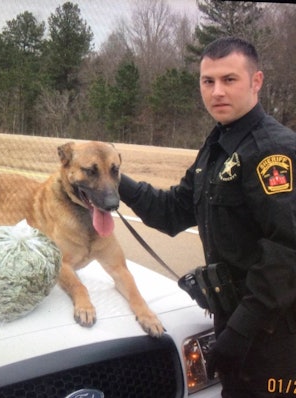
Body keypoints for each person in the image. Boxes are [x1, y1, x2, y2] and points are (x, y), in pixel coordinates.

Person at [119, 37, 296, 397]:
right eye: (208, 81)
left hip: (275, 338)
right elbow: (174, 210)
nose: (217, 91)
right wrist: (114, 181)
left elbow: (287, 251)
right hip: (237, 325)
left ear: (256, 81)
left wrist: (240, 332)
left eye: (229, 80)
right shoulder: (218, 146)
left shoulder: (271, 151)